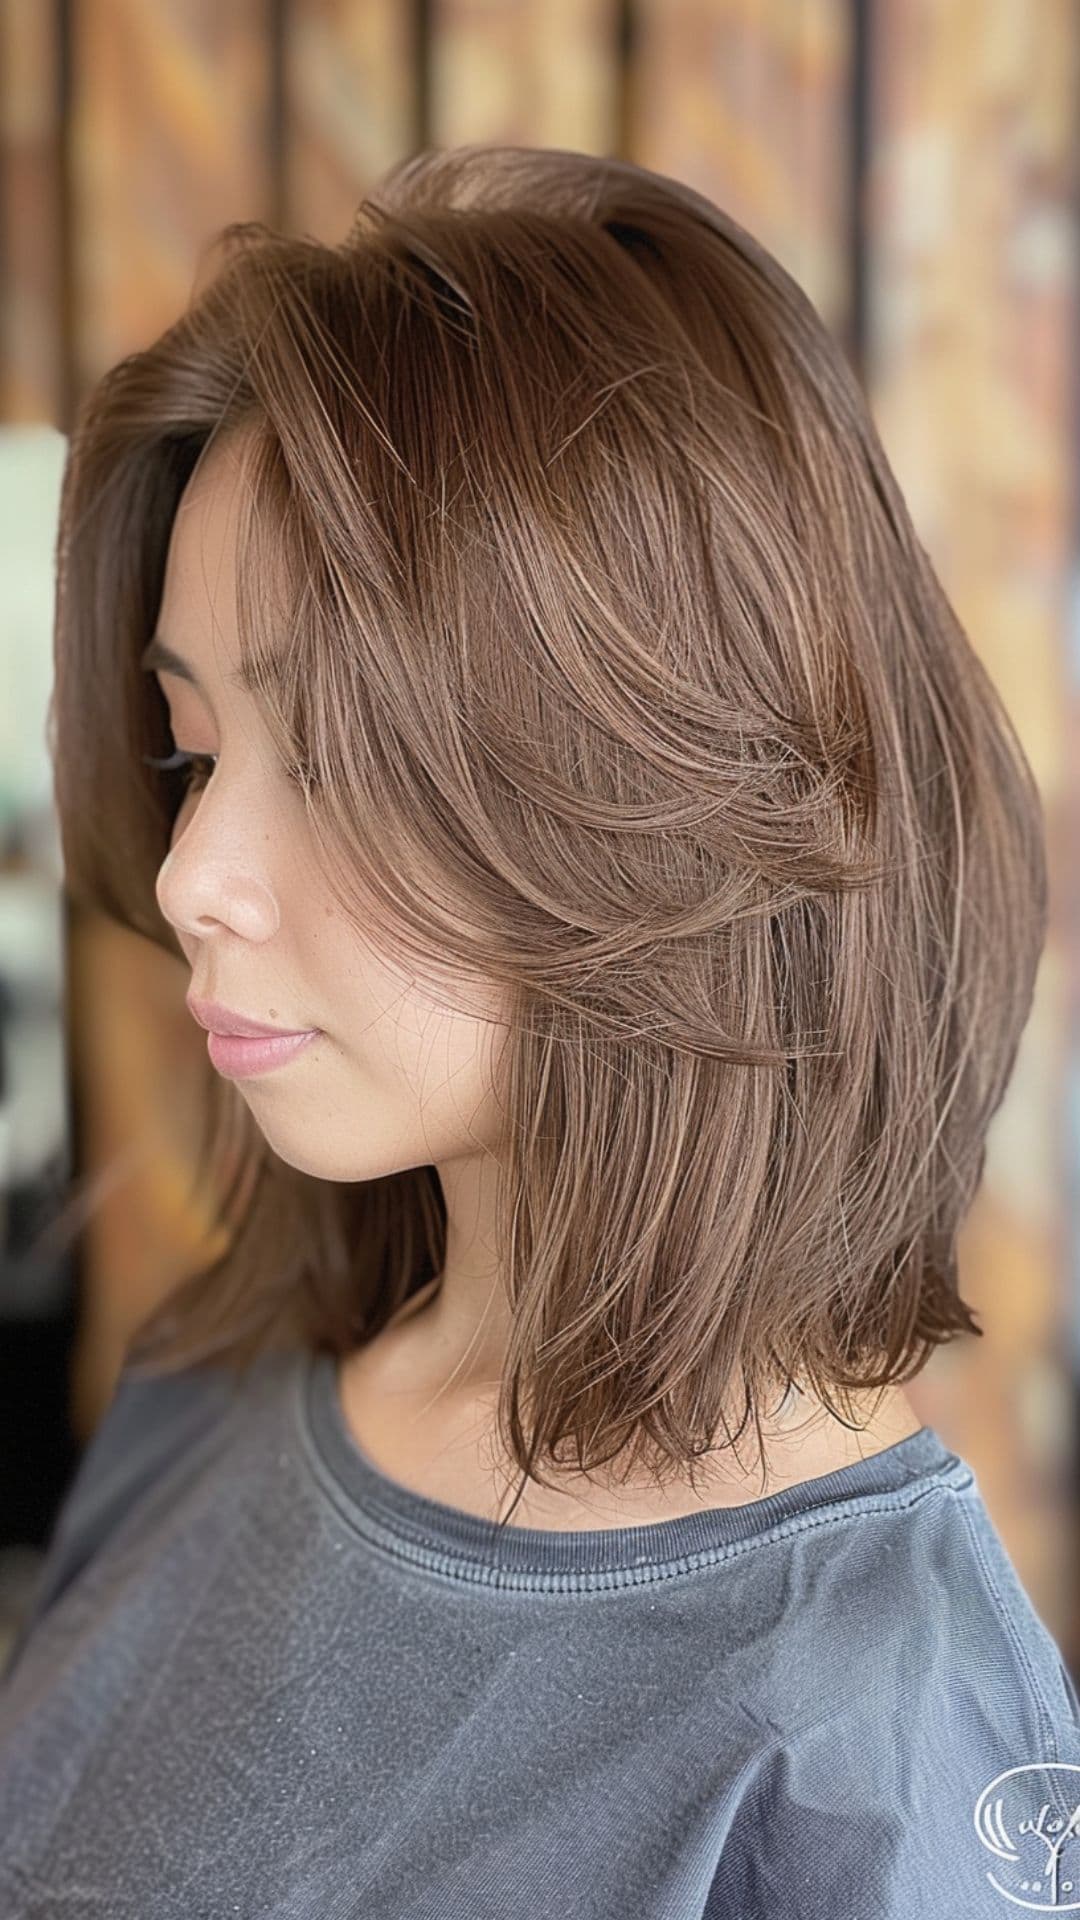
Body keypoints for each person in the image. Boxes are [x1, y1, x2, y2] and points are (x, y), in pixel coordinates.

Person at [1, 142, 1077, 1917]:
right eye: (193, 754)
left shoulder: (871, 1734)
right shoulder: (207, 1401)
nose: (194, 873)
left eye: (337, 759)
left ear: (666, 797)